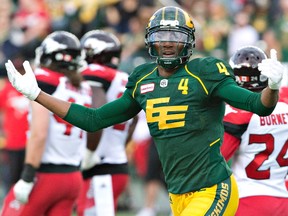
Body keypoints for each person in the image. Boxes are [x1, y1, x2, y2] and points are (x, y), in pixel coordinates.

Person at [4, 6, 285, 216]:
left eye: (174, 36)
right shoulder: (143, 78)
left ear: (188, 39)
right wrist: (38, 94)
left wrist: (271, 86)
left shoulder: (205, 71)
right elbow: (94, 120)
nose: (167, 42)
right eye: (161, 35)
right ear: (150, 39)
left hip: (213, 188)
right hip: (178, 194)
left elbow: (257, 106)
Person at [0, 31, 92, 216]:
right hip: (73, 176)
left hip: (45, 174)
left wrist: (27, 177)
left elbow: (39, 133)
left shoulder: (43, 79)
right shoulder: (84, 87)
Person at [76, 30, 138, 216]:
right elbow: (133, 119)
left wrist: (90, 151)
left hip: (101, 164)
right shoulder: (125, 78)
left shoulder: (96, 73)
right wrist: (118, 146)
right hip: (116, 162)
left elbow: (96, 116)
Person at [220, 46, 288, 216]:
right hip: (284, 197)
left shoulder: (237, 115)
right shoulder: (285, 100)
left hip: (248, 198)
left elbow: (217, 160)